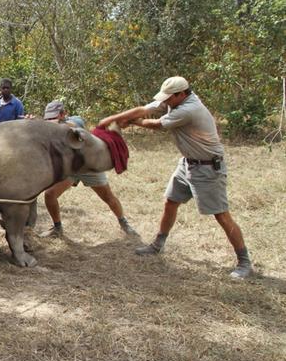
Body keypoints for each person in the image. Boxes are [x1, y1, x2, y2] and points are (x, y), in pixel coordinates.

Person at [99, 76, 253, 279]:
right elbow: (144, 109)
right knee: (170, 202)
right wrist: (111, 119)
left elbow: (156, 124)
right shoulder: (176, 99)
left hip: (207, 168)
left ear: (181, 94)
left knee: (221, 215)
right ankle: (158, 245)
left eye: (169, 98)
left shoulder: (189, 110)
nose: (166, 102)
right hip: (188, 163)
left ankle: (245, 262)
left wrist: (132, 122)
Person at [38, 101, 137, 238]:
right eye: (47, 118)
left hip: (89, 167)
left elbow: (73, 126)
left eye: (53, 117)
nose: (50, 120)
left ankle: (124, 223)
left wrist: (50, 124)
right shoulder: (49, 127)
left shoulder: (75, 120)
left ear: (63, 114)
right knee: (50, 195)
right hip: (71, 170)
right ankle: (57, 228)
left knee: (108, 197)